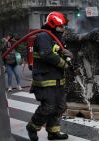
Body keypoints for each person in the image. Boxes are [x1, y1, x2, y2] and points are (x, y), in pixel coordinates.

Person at [26, 11, 73, 141]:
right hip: (44, 79)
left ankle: (53, 132)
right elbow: (46, 54)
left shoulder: (55, 38)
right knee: (48, 107)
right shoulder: (43, 36)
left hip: (57, 79)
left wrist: (69, 54)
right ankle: (32, 127)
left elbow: (60, 52)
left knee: (60, 106)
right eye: (61, 26)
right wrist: (63, 63)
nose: (63, 29)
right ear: (53, 25)